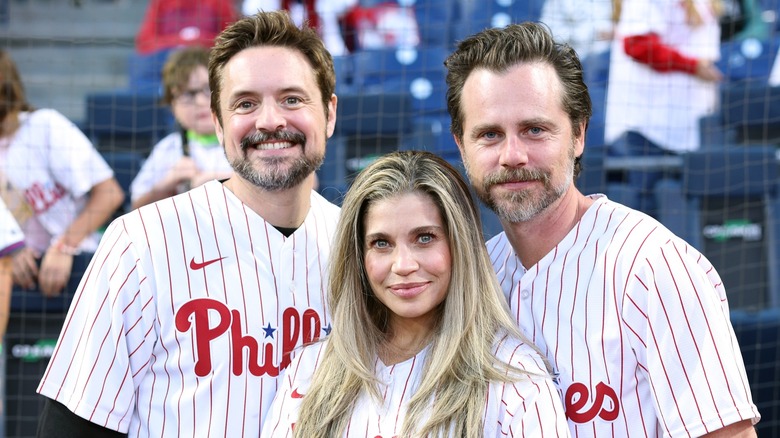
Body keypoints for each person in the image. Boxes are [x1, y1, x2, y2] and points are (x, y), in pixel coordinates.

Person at [444, 22, 760, 436]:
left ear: (578, 135)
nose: (513, 155)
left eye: (534, 130)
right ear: (460, 145)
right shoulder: (474, 275)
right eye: (489, 134)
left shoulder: (657, 268)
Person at [36, 10, 341, 436]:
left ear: (329, 113)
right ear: (217, 123)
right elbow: (72, 425)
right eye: (246, 103)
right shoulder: (139, 242)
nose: (270, 120)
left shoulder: (359, 245)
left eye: (292, 98)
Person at [261, 150, 570, 437]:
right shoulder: (309, 369)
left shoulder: (515, 377)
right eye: (381, 243)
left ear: (458, 243)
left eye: (424, 238)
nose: (404, 265)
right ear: (359, 256)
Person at [0, 49, 124, 298]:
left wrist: (64, 245)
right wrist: (8, 248)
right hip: (14, 270)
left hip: (78, 256)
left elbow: (110, 193)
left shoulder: (45, 125)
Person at [603, 0, 723, 215]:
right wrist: (692, 66)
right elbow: (637, 46)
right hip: (647, 124)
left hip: (689, 122)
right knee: (644, 210)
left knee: (683, 212)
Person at [130, 46, 233, 209]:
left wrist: (221, 182)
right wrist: (166, 184)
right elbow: (136, 207)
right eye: (187, 94)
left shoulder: (245, 139)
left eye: (207, 89)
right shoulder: (168, 149)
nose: (200, 102)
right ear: (172, 106)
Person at [130, 0, 239, 92]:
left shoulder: (219, 2)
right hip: (167, 58)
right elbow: (144, 41)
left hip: (207, 57)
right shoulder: (162, 2)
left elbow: (232, 37)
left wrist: (199, 40)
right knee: (145, 66)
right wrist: (181, 41)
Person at [241, 0, 358, 56]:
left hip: (325, 53)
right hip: (281, 54)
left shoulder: (323, 2)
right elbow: (249, 9)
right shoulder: (271, 3)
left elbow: (348, 3)